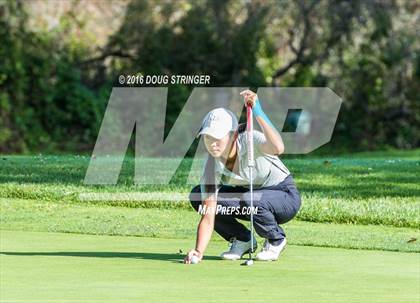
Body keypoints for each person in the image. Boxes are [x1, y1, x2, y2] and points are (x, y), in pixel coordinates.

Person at [184, 90, 301, 264]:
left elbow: (278, 147)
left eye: (217, 137)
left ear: (233, 135)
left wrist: (258, 109)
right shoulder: (211, 165)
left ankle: (276, 240)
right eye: (207, 137)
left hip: (284, 196)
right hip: (252, 199)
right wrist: (198, 251)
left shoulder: (250, 139)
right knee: (199, 198)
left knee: (251, 199)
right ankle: (242, 239)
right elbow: (208, 215)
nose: (212, 143)